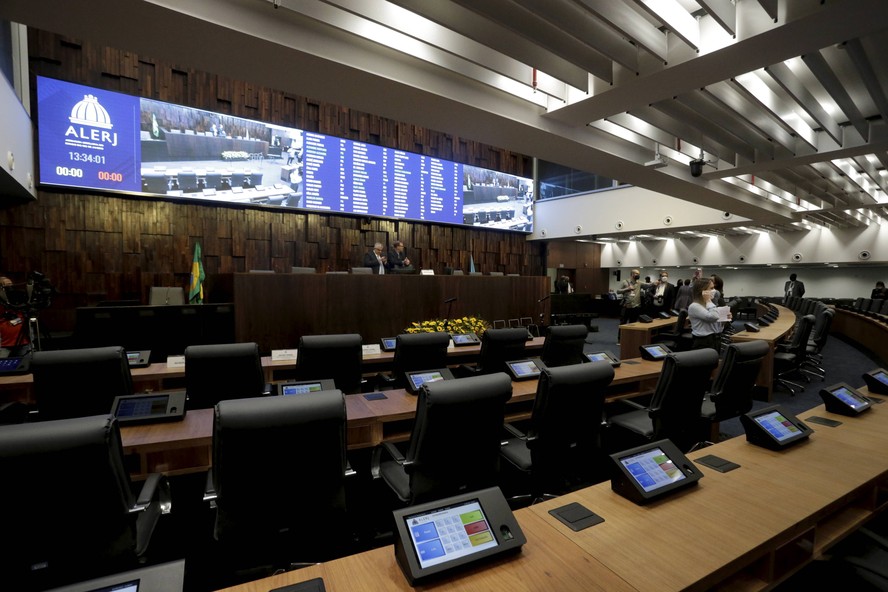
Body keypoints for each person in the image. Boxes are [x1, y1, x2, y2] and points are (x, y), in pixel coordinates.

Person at [688, 278, 730, 353]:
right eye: (711, 288)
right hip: (703, 342)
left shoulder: (709, 305)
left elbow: (716, 327)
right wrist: (708, 300)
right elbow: (713, 317)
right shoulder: (694, 306)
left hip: (715, 339)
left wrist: (724, 320)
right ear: (702, 291)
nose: (714, 291)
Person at [0, 275, 28, 357]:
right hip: (4, 344)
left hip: (23, 343)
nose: (10, 288)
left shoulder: (19, 297)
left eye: (11, 285)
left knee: (26, 366)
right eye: (6, 285)